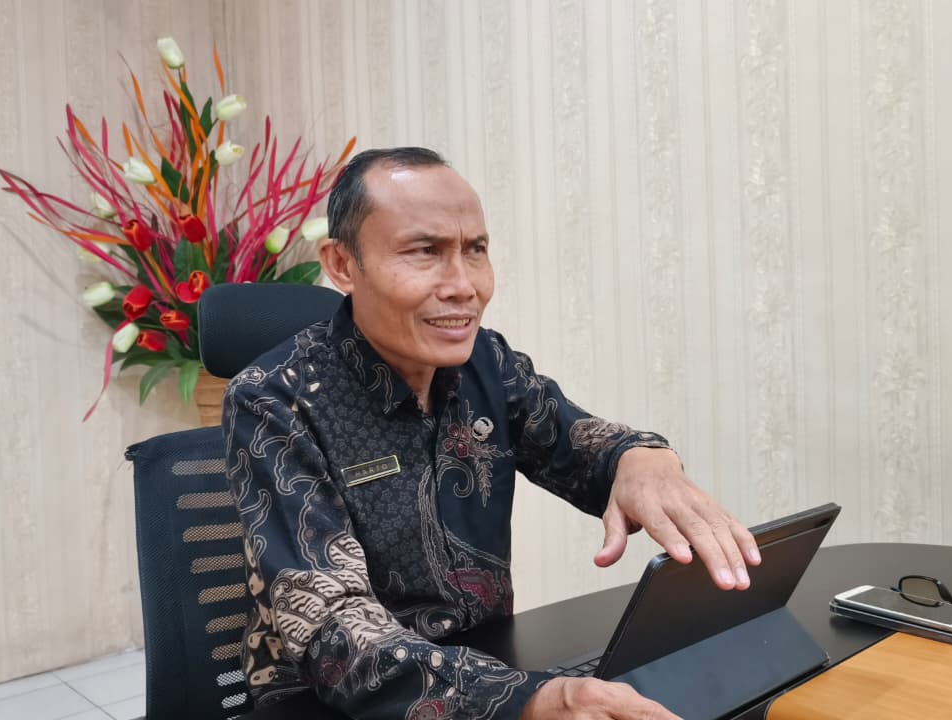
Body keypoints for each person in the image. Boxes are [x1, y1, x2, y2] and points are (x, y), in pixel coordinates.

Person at [223, 147, 761, 720]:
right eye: (425, 251)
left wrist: (642, 459)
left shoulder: (486, 361)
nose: (464, 285)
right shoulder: (274, 398)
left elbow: (580, 444)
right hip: (336, 704)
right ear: (342, 264)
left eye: (475, 250)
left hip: (489, 672)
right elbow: (335, 634)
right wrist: (529, 701)